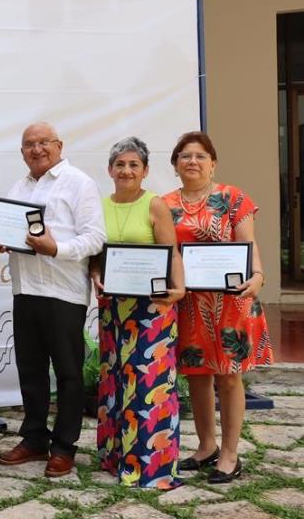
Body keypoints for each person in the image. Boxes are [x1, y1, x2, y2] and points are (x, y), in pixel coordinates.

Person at [0, 122, 106, 477]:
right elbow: (9, 229)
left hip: (63, 292)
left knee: (69, 374)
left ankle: (64, 446)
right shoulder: (18, 187)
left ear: (59, 145)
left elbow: (95, 238)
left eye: (44, 143)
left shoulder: (79, 183)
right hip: (26, 289)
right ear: (22, 151)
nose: (37, 149)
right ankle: (34, 439)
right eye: (29, 144)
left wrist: (56, 248)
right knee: (31, 370)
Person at [163, 131, 274, 484]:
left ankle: (229, 453)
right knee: (197, 377)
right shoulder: (164, 204)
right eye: (184, 156)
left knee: (228, 377)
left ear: (213, 163)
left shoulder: (233, 198)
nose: (191, 161)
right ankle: (206, 446)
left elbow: (248, 244)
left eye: (199, 156)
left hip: (231, 302)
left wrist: (257, 275)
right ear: (175, 165)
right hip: (190, 304)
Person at [89, 137, 184, 489]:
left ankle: (152, 466)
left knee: (148, 385)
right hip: (114, 307)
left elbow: (171, 252)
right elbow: (95, 256)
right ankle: (116, 458)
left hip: (152, 308)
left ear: (144, 171)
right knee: (115, 383)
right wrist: (95, 275)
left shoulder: (154, 204)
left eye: (134, 165)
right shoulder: (99, 205)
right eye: (120, 164)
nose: (126, 170)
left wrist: (180, 289)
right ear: (110, 170)